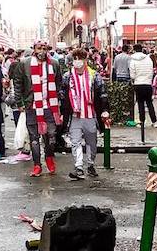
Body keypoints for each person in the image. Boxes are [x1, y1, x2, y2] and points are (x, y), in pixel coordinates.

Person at [9, 41, 61, 177]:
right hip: (31, 106)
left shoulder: (54, 64)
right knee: (34, 138)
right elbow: (18, 83)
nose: (42, 51)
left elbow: (59, 83)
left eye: (44, 48)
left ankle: (49, 158)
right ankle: (37, 165)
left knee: (50, 136)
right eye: (39, 48)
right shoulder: (24, 64)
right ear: (34, 49)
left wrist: (57, 100)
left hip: (49, 106)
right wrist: (19, 102)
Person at [64, 48, 107, 180]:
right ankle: (78, 168)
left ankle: (90, 164)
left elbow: (103, 94)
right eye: (75, 58)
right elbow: (62, 95)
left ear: (85, 60)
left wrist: (105, 110)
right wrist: (62, 113)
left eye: (80, 58)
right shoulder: (68, 76)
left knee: (91, 143)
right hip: (75, 116)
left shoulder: (94, 76)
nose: (77, 61)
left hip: (90, 115)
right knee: (75, 142)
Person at [127, 44, 156, 128]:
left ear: (134, 50)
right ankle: (154, 121)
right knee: (149, 103)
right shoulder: (148, 59)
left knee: (140, 103)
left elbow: (132, 75)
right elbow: (151, 71)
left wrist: (135, 79)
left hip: (138, 83)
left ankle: (142, 121)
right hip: (147, 83)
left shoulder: (133, 60)